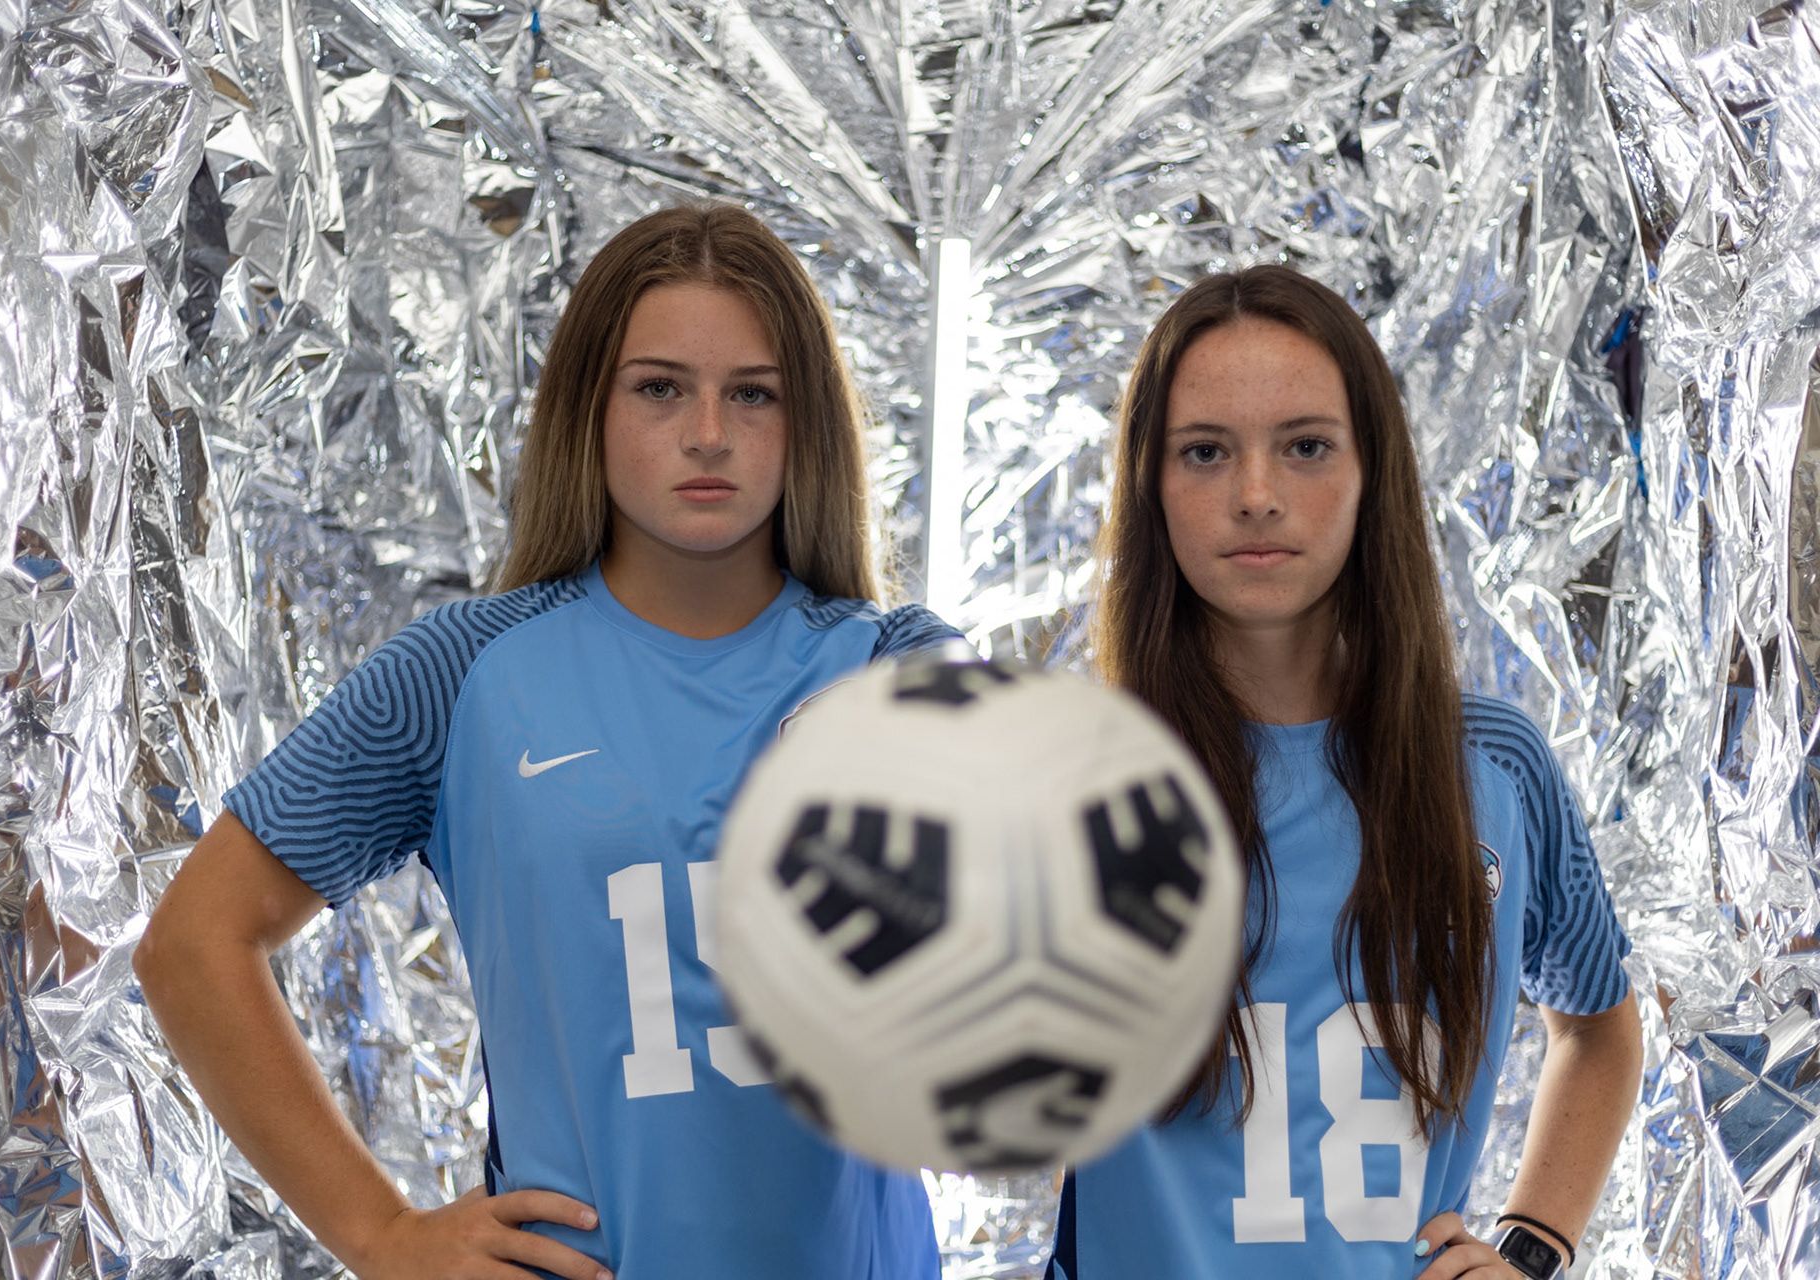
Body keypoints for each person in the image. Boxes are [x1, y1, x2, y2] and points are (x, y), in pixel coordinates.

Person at [135, 205, 955, 1280]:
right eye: (660, 388)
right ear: (588, 408)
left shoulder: (898, 663)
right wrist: (381, 1235)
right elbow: (193, 943)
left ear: (810, 420)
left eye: (755, 392)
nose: (710, 433)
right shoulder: (466, 671)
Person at [1046, 266, 1643, 1279]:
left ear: (1375, 472)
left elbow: (1599, 1028)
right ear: (1151, 486)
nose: (1256, 496)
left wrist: (1532, 1248)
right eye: (1204, 451)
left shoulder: (1492, 766)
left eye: (1306, 446)